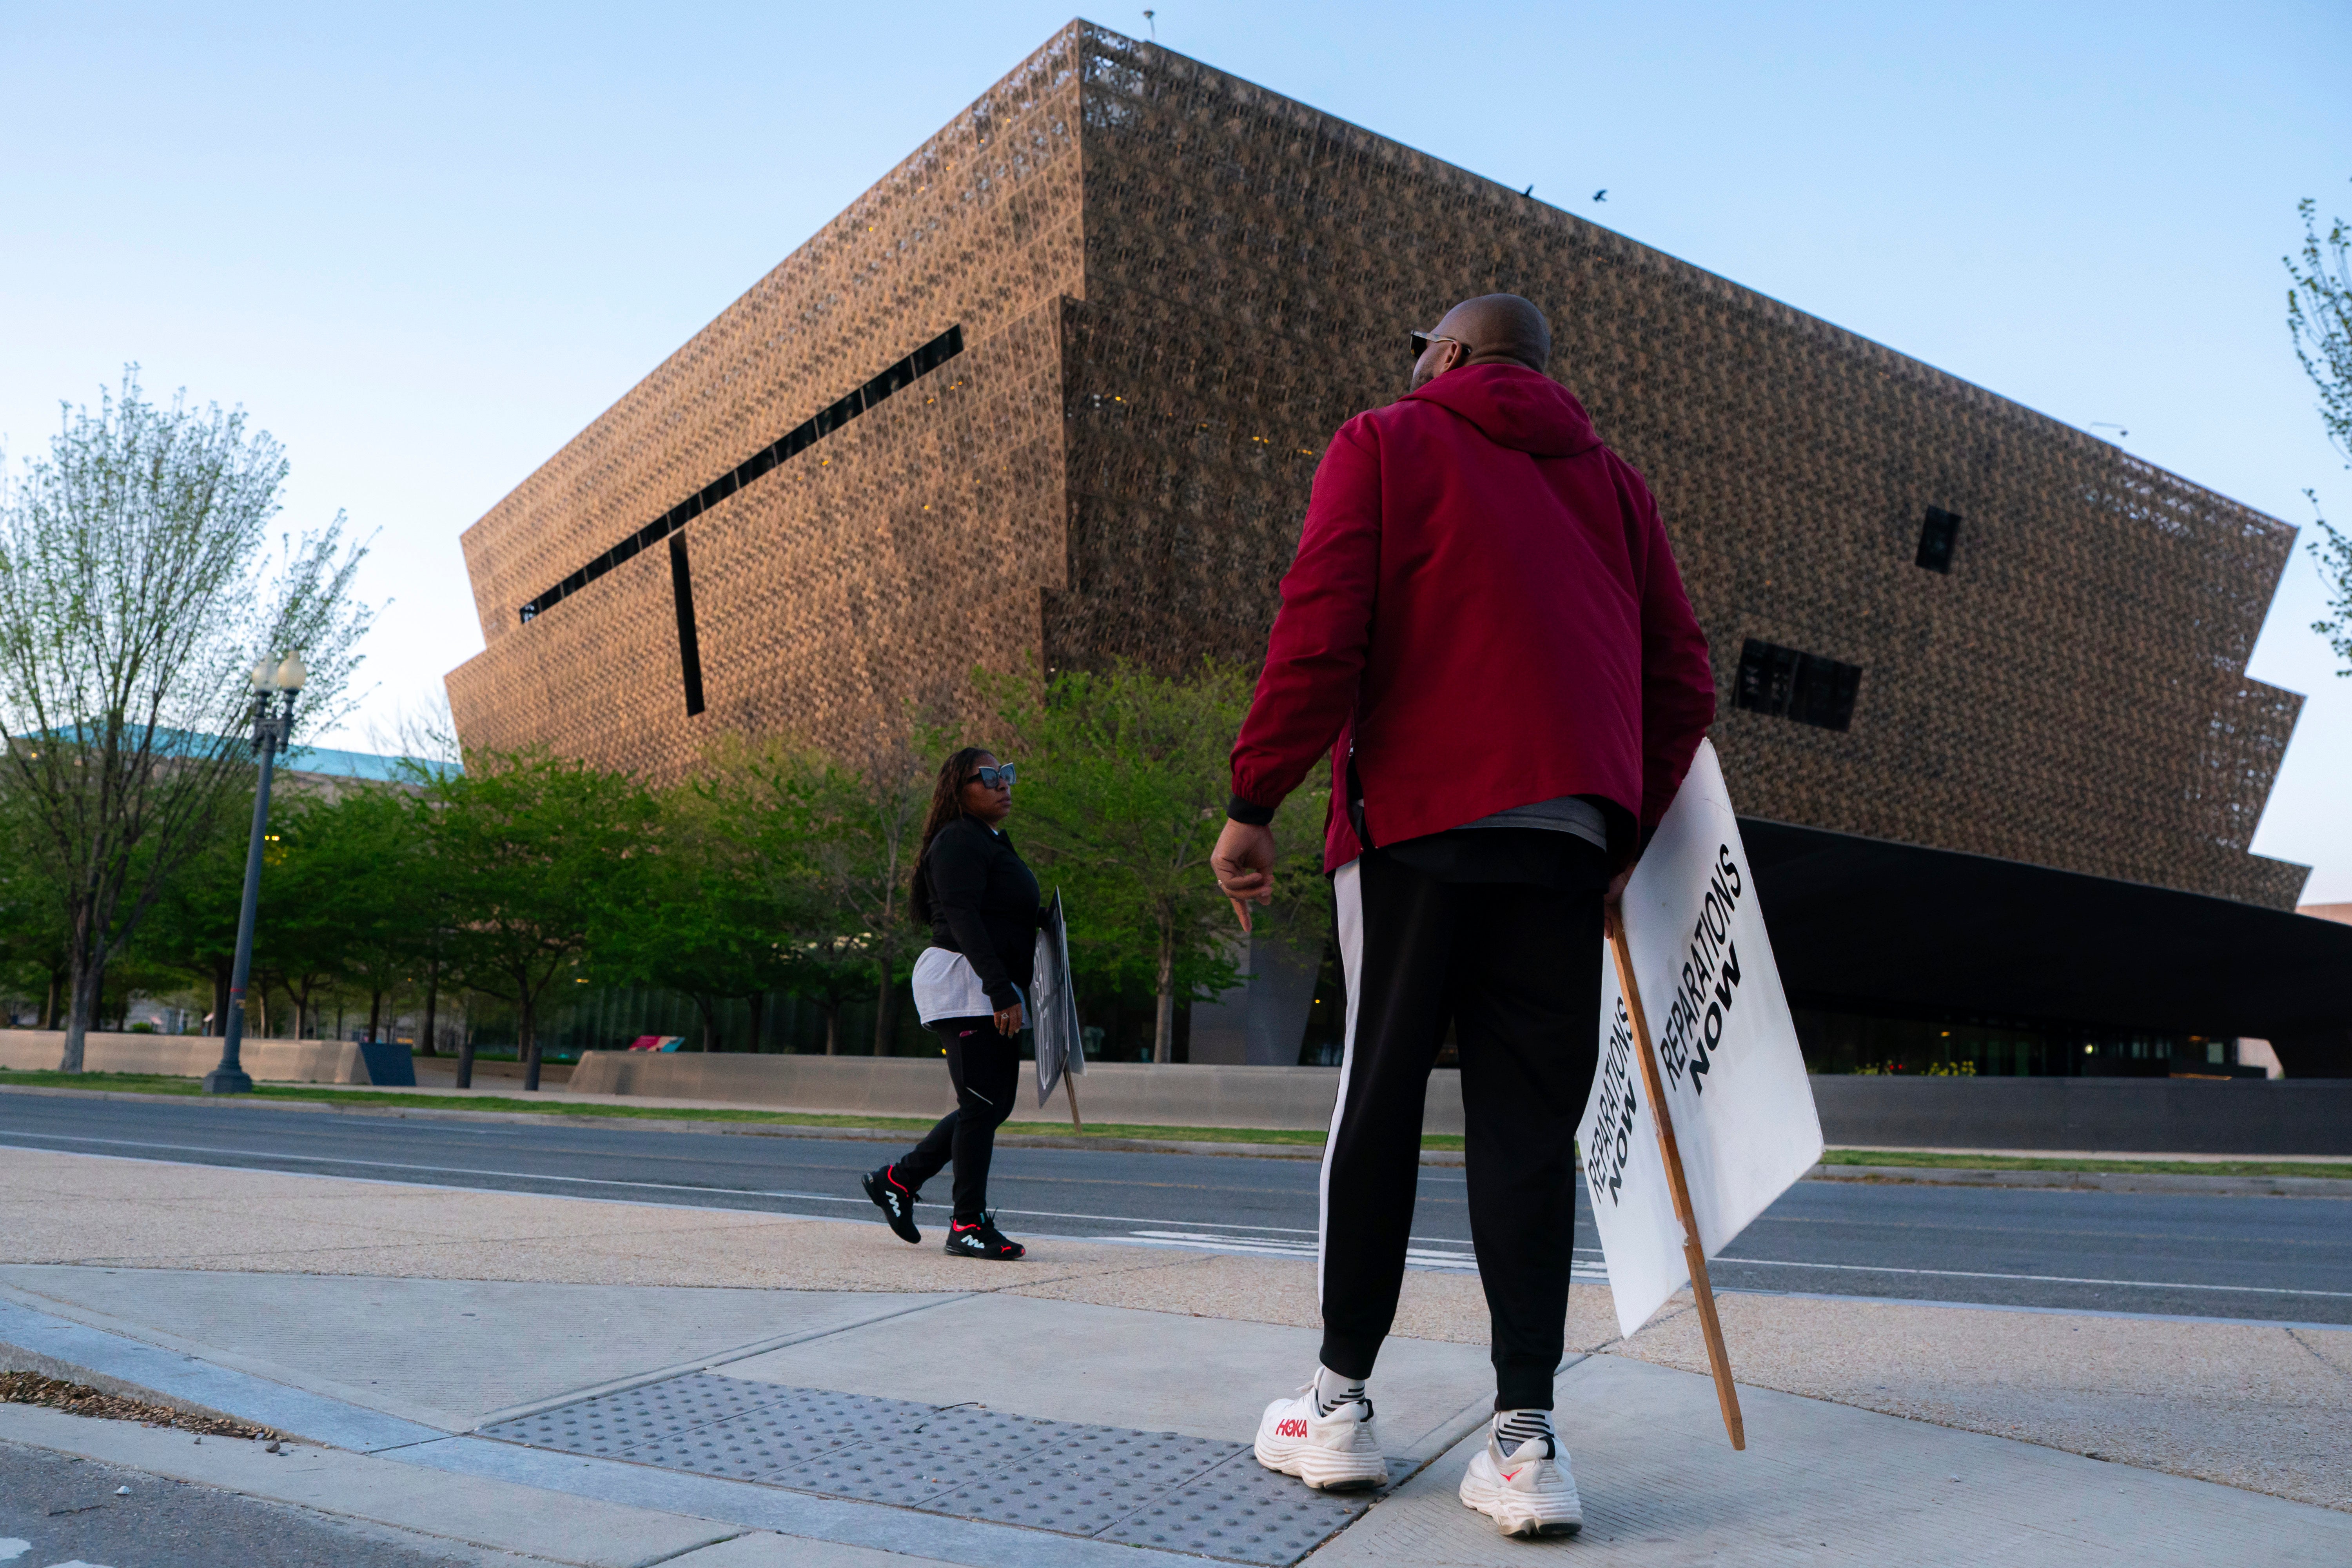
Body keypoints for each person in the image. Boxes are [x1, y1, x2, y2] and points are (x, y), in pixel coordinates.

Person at [1211, 295, 1715, 1537]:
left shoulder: (1386, 441)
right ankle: (1526, 1441)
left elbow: (1324, 625)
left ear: (1445, 356)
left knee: (1376, 1104)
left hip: (1416, 831)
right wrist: (1619, 834)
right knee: (1530, 1134)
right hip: (1563, 848)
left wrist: (1253, 795)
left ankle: (1337, 1410)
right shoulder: (1620, 491)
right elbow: (1683, 680)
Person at [861, 747, 1041, 1261]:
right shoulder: (959, 838)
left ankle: (898, 1180)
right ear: (958, 790)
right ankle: (967, 1223)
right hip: (966, 983)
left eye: (1007, 774)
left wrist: (1044, 921)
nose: (1003, 784)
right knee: (983, 1105)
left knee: (990, 1104)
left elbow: (1000, 908)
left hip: (983, 982)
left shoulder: (989, 840)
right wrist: (1000, 989)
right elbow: (962, 916)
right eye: (989, 777)